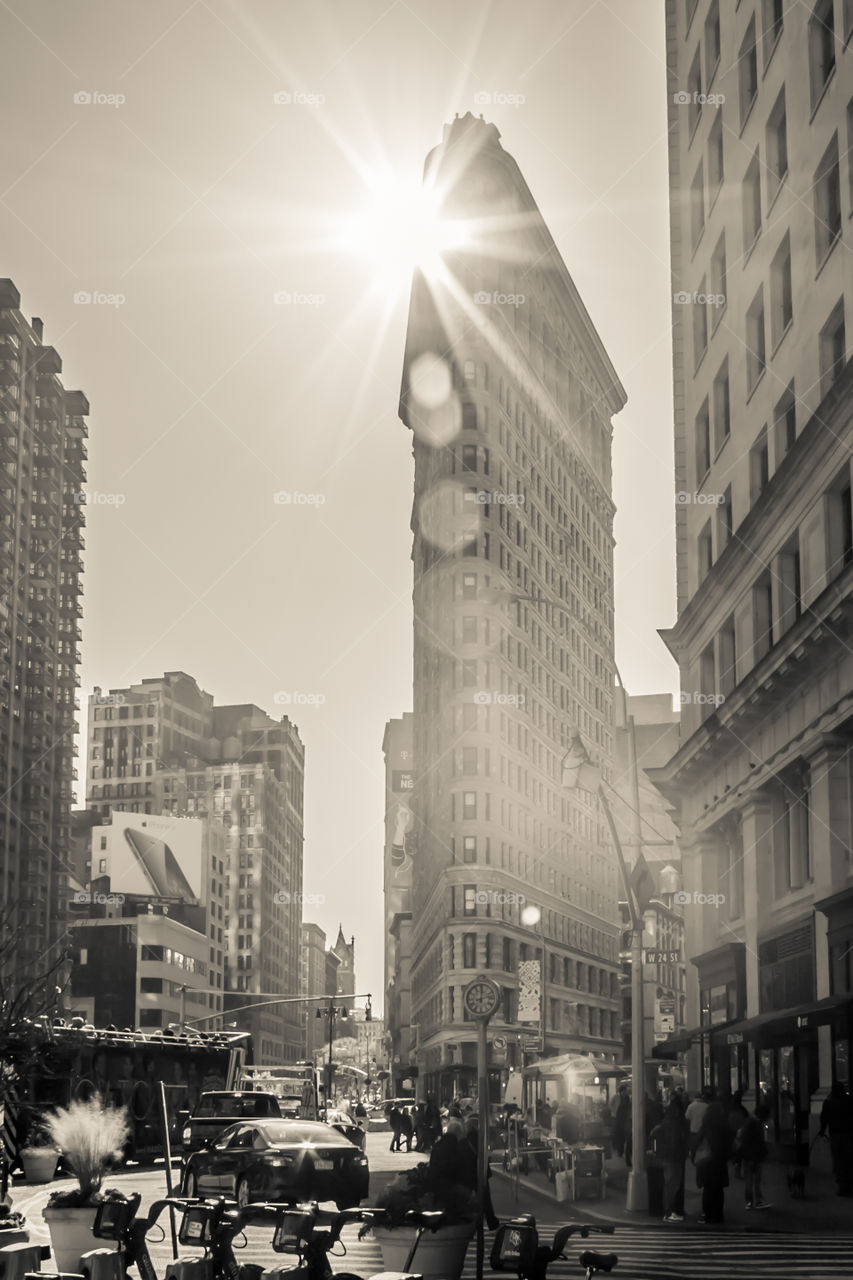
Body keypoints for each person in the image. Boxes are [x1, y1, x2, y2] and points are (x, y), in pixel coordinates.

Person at [651, 1098, 689, 1222]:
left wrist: (657, 1148)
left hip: (666, 1157)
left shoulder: (665, 1122)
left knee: (669, 1185)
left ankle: (668, 1211)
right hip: (674, 1158)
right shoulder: (676, 1124)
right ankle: (668, 1212)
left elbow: (653, 1134)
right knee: (672, 1185)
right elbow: (677, 1142)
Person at [694, 1098, 730, 1224]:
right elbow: (728, 1146)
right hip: (719, 1163)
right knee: (718, 1190)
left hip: (706, 1163)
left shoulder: (705, 1127)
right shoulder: (723, 1127)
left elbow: (696, 1144)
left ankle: (707, 1214)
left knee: (708, 1190)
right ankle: (718, 1215)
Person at [464, 1115, 500, 1230]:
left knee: (479, 1198)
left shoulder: (470, 1137)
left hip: (474, 1171)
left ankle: (486, 1221)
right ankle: (491, 1222)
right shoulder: (478, 1136)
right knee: (485, 1198)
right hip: (480, 1171)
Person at [820, 1081, 853, 1197]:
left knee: (838, 1161)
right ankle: (848, 1184)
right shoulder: (849, 1100)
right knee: (848, 1160)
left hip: (835, 1135)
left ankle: (842, 1186)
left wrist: (822, 1131)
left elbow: (824, 1118)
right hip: (848, 1135)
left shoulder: (829, 1102)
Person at [735, 1103, 769, 1209]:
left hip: (748, 1155)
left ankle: (749, 1202)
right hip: (753, 1156)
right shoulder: (755, 1124)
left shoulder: (749, 1122)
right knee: (755, 1180)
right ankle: (757, 1201)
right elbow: (756, 1142)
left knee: (749, 1180)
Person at [685, 1087, 713, 1160]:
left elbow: (687, 1118)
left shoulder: (691, 1106)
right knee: (703, 1146)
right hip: (704, 1130)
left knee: (694, 1146)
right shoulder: (706, 1106)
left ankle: (693, 1158)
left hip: (694, 1129)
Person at [727, 1092, 749, 1179]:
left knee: (736, 1152)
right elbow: (746, 1119)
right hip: (740, 1132)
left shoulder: (730, 1108)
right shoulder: (742, 1109)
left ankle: (736, 1167)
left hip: (732, 1132)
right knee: (740, 1152)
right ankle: (739, 1170)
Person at [612, 1087, 630, 1158]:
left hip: (622, 1119)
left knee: (621, 1136)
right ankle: (619, 1150)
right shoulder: (616, 1096)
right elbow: (611, 1104)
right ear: (622, 1091)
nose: (626, 1092)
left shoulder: (626, 1098)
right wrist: (614, 1112)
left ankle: (620, 1150)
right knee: (620, 1135)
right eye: (625, 1091)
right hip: (619, 1119)